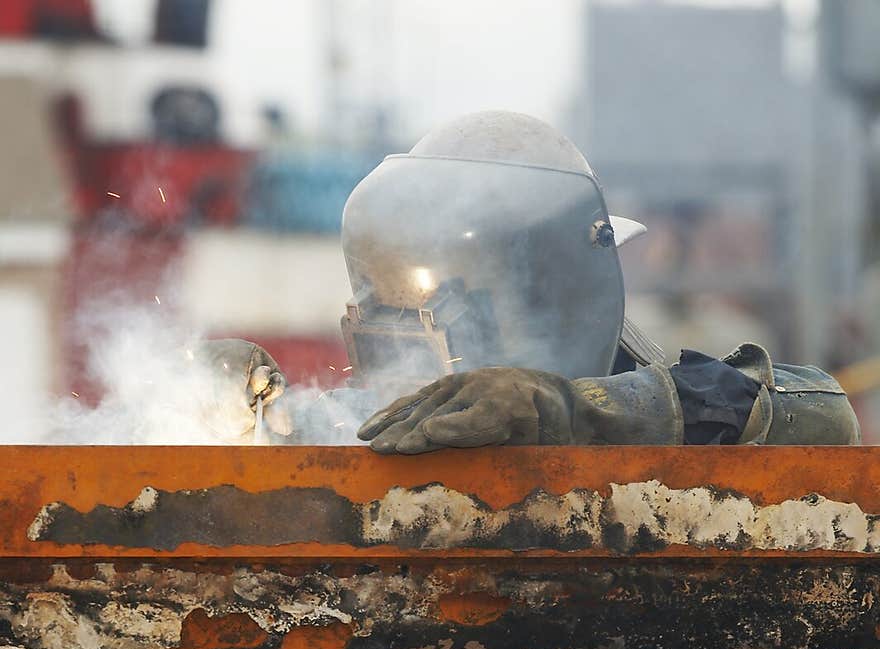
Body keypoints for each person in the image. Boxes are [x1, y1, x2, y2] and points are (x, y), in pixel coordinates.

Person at [214, 110, 860, 451]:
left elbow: (825, 411)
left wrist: (573, 410)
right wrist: (265, 409)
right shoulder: (426, 416)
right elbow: (329, 425)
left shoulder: (659, 403)